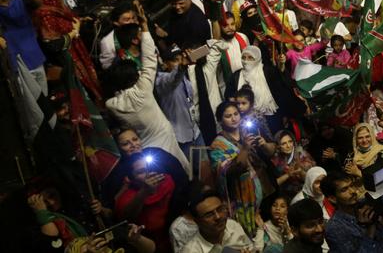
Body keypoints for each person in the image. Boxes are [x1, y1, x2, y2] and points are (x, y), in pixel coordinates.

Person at [103, 15, 191, 174]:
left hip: (147, 148)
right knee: (183, 173)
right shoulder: (142, 89)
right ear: (134, 77)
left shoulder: (111, 105)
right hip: (167, 140)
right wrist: (144, 28)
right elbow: (150, 59)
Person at [210, 100, 266, 238]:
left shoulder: (247, 132)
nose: (234, 118)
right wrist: (245, 149)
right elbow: (229, 172)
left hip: (262, 192)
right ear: (220, 120)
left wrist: (264, 145)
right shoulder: (218, 145)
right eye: (228, 116)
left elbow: (269, 154)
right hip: (240, 199)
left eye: (236, 114)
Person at [321, 168, 383, 253]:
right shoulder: (334, 228)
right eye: (344, 190)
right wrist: (370, 231)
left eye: (352, 185)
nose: (352, 191)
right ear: (333, 199)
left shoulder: (366, 205)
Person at [181, 189, 259, 253]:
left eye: (220, 209)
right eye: (209, 215)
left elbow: (250, 247)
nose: (218, 217)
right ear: (197, 221)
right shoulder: (190, 250)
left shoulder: (232, 225)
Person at [274, 130, 318, 197]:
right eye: (283, 143)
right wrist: (287, 175)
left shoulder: (302, 154)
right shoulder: (277, 159)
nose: (288, 146)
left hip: (309, 191)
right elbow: (274, 183)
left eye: (290, 141)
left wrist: (300, 171)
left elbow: (313, 177)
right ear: (278, 146)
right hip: (289, 195)